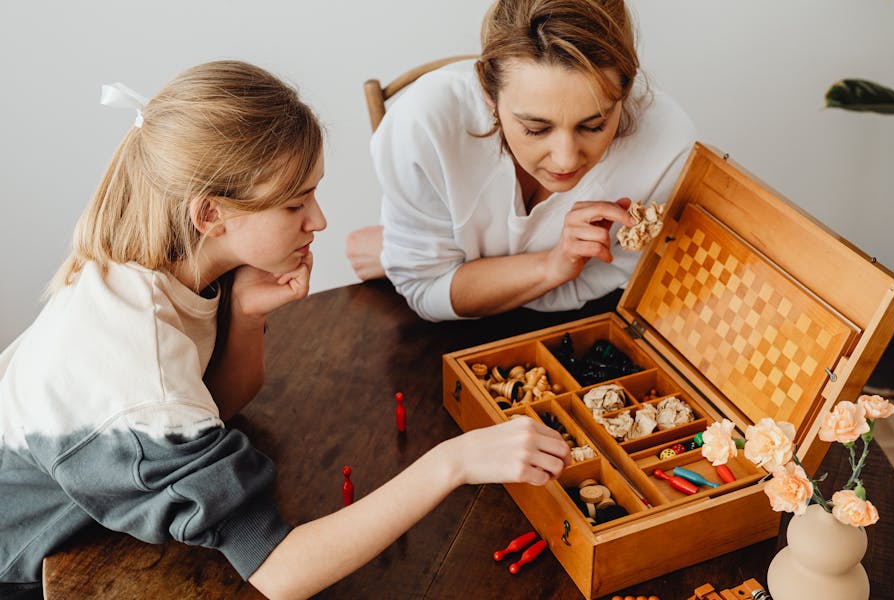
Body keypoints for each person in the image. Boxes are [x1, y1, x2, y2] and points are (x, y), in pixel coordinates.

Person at [0, 60, 572, 600]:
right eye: (296, 203)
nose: (319, 220)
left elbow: (211, 407)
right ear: (209, 215)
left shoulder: (177, 266)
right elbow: (281, 572)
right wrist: (456, 461)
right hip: (32, 568)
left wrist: (247, 317)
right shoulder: (135, 375)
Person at [346, 0, 697, 322]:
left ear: (626, 89)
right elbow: (425, 291)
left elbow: (434, 282)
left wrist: (447, 267)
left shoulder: (667, 148)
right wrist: (551, 265)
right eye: (535, 128)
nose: (565, 159)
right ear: (487, 91)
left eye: (593, 125)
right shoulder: (424, 124)